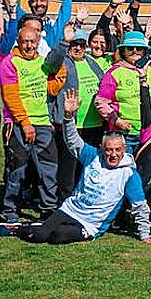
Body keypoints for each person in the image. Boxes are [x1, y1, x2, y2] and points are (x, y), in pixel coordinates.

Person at [0, 89, 151, 244]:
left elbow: (139, 206)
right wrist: (68, 116)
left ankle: (41, 225)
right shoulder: (94, 156)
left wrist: (145, 235)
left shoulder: (129, 174)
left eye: (117, 150)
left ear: (124, 150)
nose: (113, 154)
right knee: (41, 235)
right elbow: (73, 140)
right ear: (102, 149)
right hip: (71, 209)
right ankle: (18, 229)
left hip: (91, 224)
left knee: (57, 237)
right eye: (108, 150)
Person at [0, 24, 66, 223]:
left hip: (43, 124)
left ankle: (48, 209)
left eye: (32, 42)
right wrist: (25, 123)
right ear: (18, 42)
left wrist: (61, 76)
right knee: (17, 170)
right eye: (25, 42)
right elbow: (10, 97)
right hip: (19, 125)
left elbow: (52, 89)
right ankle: (10, 210)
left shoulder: (43, 63)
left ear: (38, 43)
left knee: (49, 169)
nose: (29, 46)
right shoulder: (10, 63)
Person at [45, 22, 107, 200]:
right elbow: (50, 63)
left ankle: (83, 199)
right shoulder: (63, 61)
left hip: (94, 125)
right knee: (68, 167)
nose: (78, 48)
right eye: (75, 45)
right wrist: (65, 41)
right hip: (72, 124)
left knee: (88, 166)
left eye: (81, 44)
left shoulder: (91, 62)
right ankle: (65, 201)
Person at [95, 30, 151, 153]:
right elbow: (101, 101)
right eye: (130, 48)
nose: (135, 51)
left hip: (150, 133)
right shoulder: (114, 72)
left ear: (144, 51)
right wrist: (117, 121)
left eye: (139, 48)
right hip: (123, 134)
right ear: (123, 51)